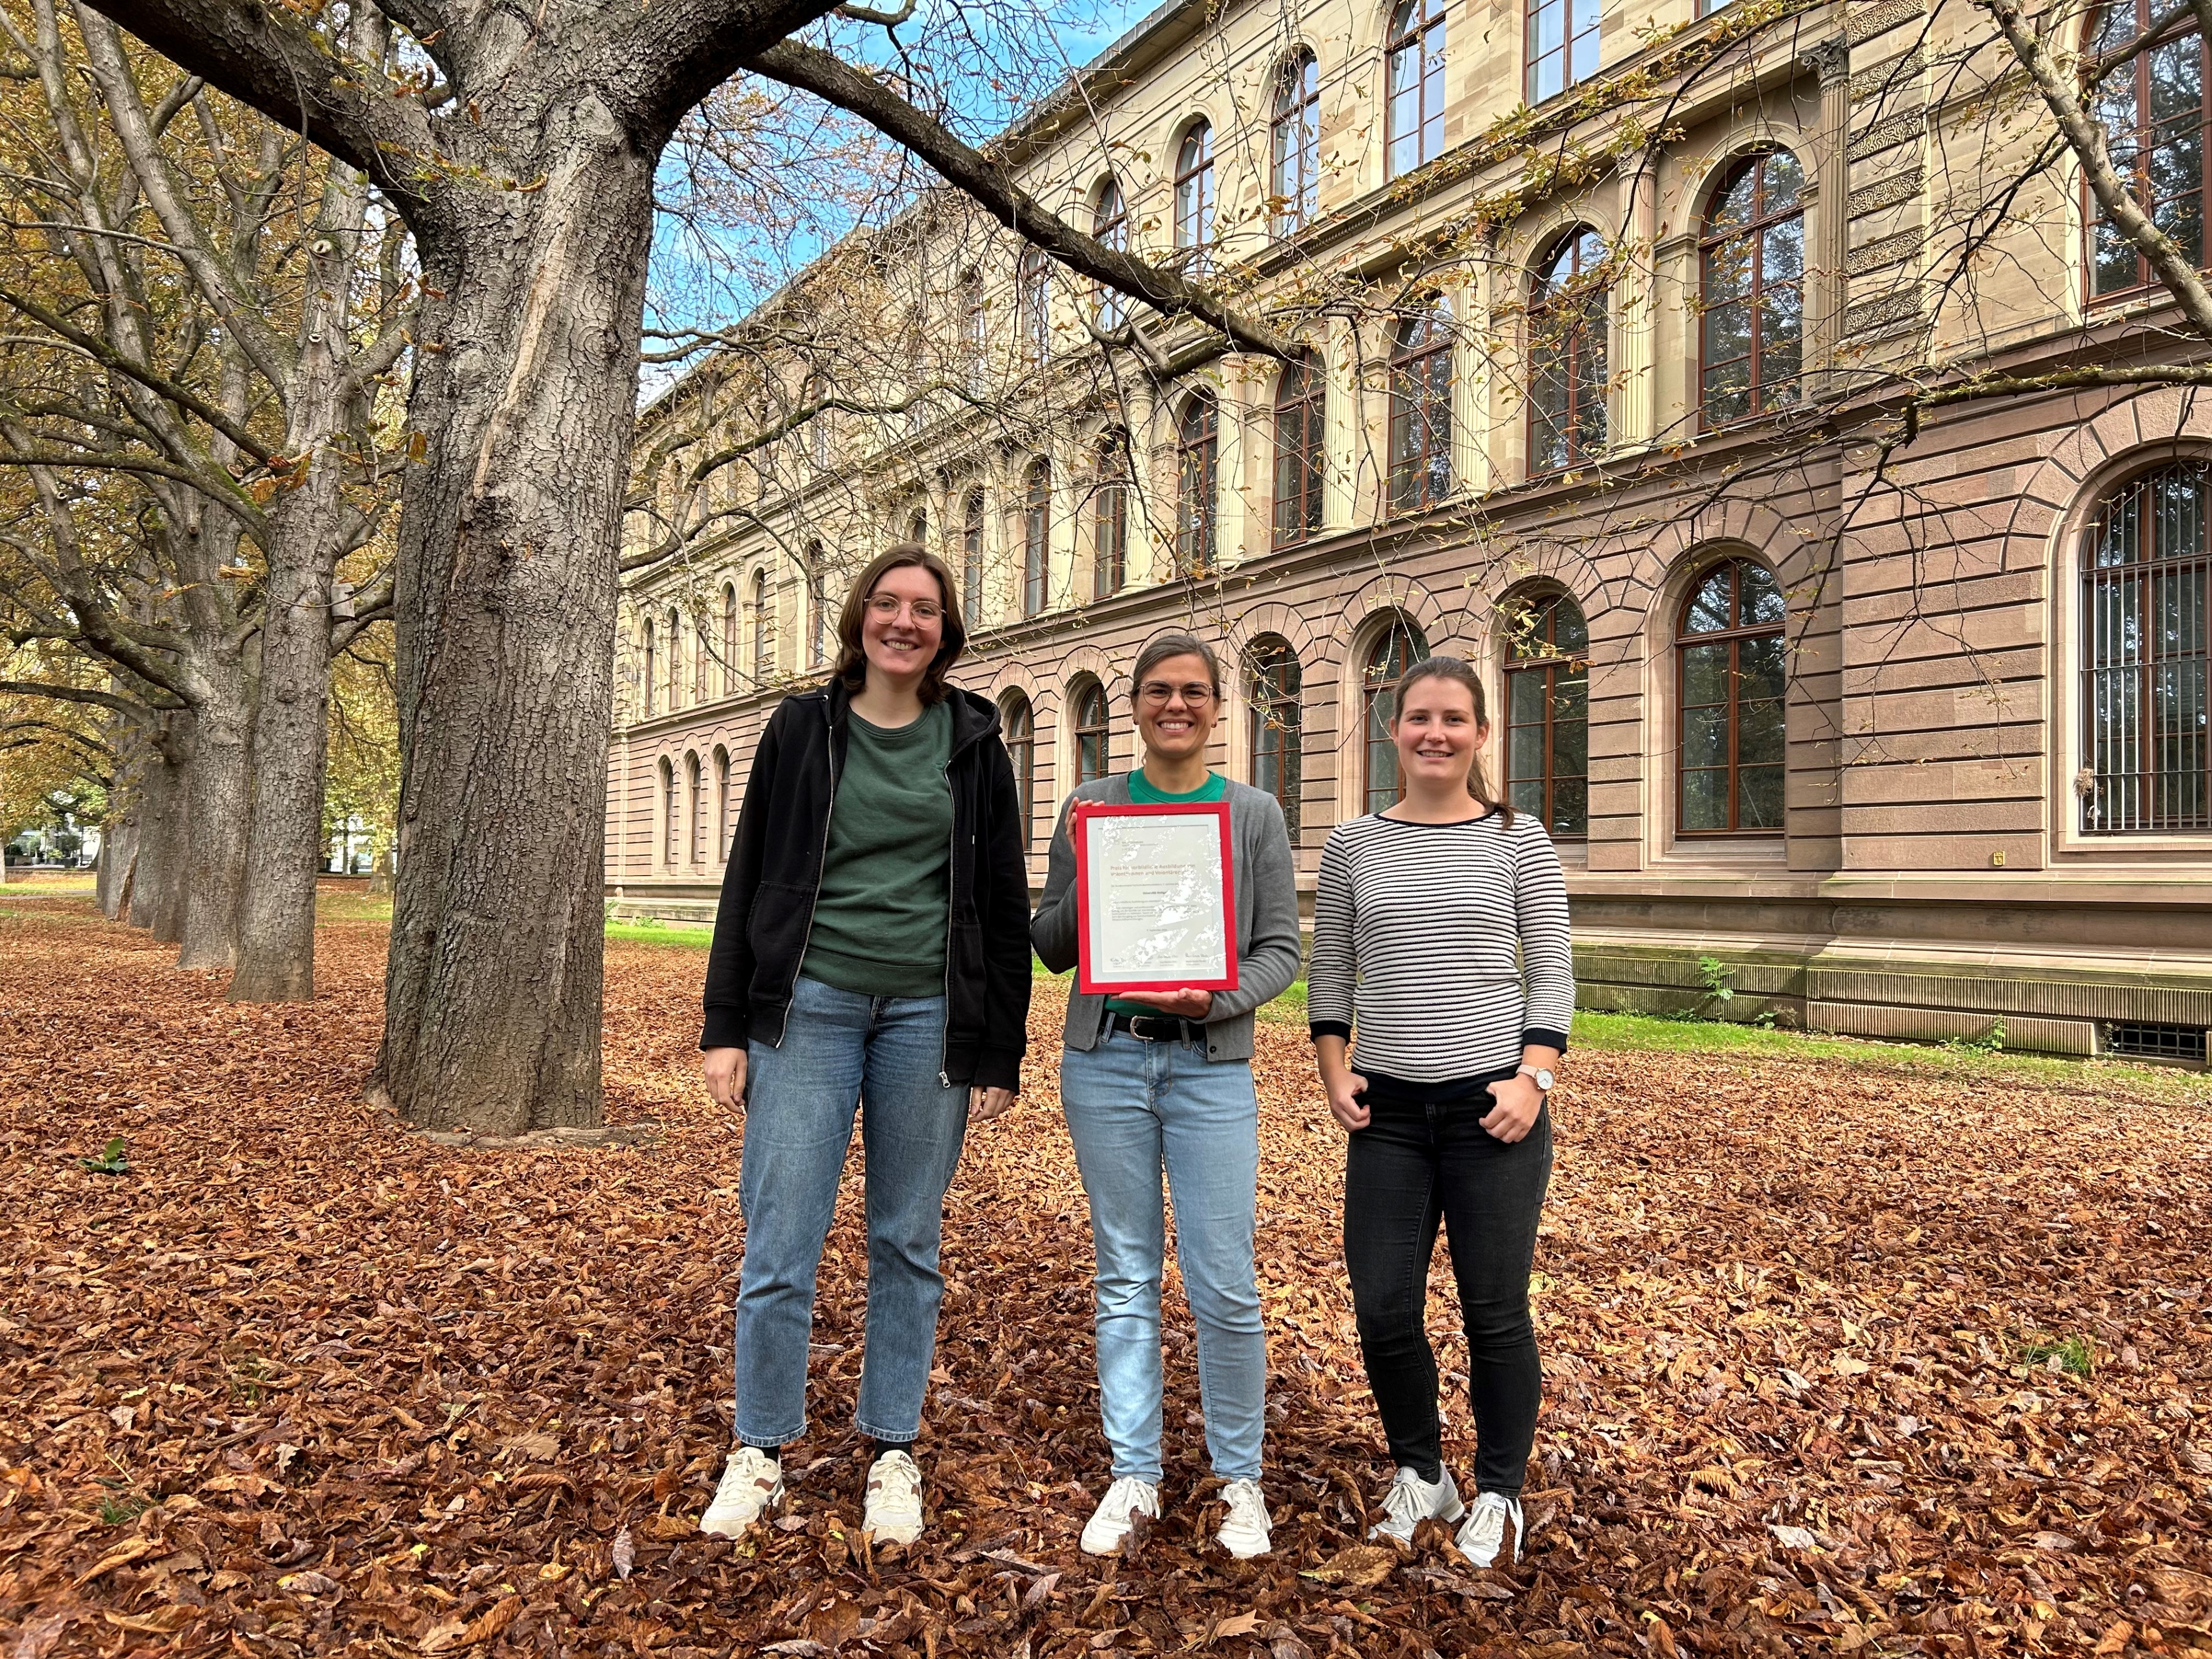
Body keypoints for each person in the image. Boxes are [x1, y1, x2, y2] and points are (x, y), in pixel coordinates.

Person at [695, 544, 1032, 1548]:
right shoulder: (803, 729)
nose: (903, 622)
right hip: (809, 1008)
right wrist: (727, 1026)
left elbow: (1003, 905)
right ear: (859, 620)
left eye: (924, 609)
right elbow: (749, 875)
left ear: (946, 630)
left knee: (906, 1240)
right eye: (886, 604)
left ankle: (893, 1447)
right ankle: (760, 1447)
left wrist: (997, 1046)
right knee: (781, 1240)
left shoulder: (974, 742)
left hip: (927, 1018)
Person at [1031, 632, 1302, 1560]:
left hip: (1209, 1067)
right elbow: (1056, 946)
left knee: (1225, 1281)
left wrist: (1216, 998)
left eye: (1193, 692)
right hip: (1105, 1061)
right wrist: (1081, 861)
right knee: (1125, 1274)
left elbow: (1281, 952)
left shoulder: (1253, 812)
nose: (1174, 706)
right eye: (1156, 692)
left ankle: (1240, 1481)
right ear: (1134, 705)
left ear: (1218, 707)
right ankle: (1134, 1472)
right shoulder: (1091, 804)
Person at [1306, 653, 1572, 1569]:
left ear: (1481, 734)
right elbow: (1332, 971)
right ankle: (1422, 1471)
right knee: (1383, 1307)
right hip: (1386, 1115)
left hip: (1491, 1111)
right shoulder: (1354, 846)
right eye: (1418, 717)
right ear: (1393, 730)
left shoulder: (1518, 840)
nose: (1435, 733)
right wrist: (1333, 1072)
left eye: (1454, 719)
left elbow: (1553, 971)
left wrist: (1532, 1080)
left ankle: (1500, 1491)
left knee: (1493, 1310)